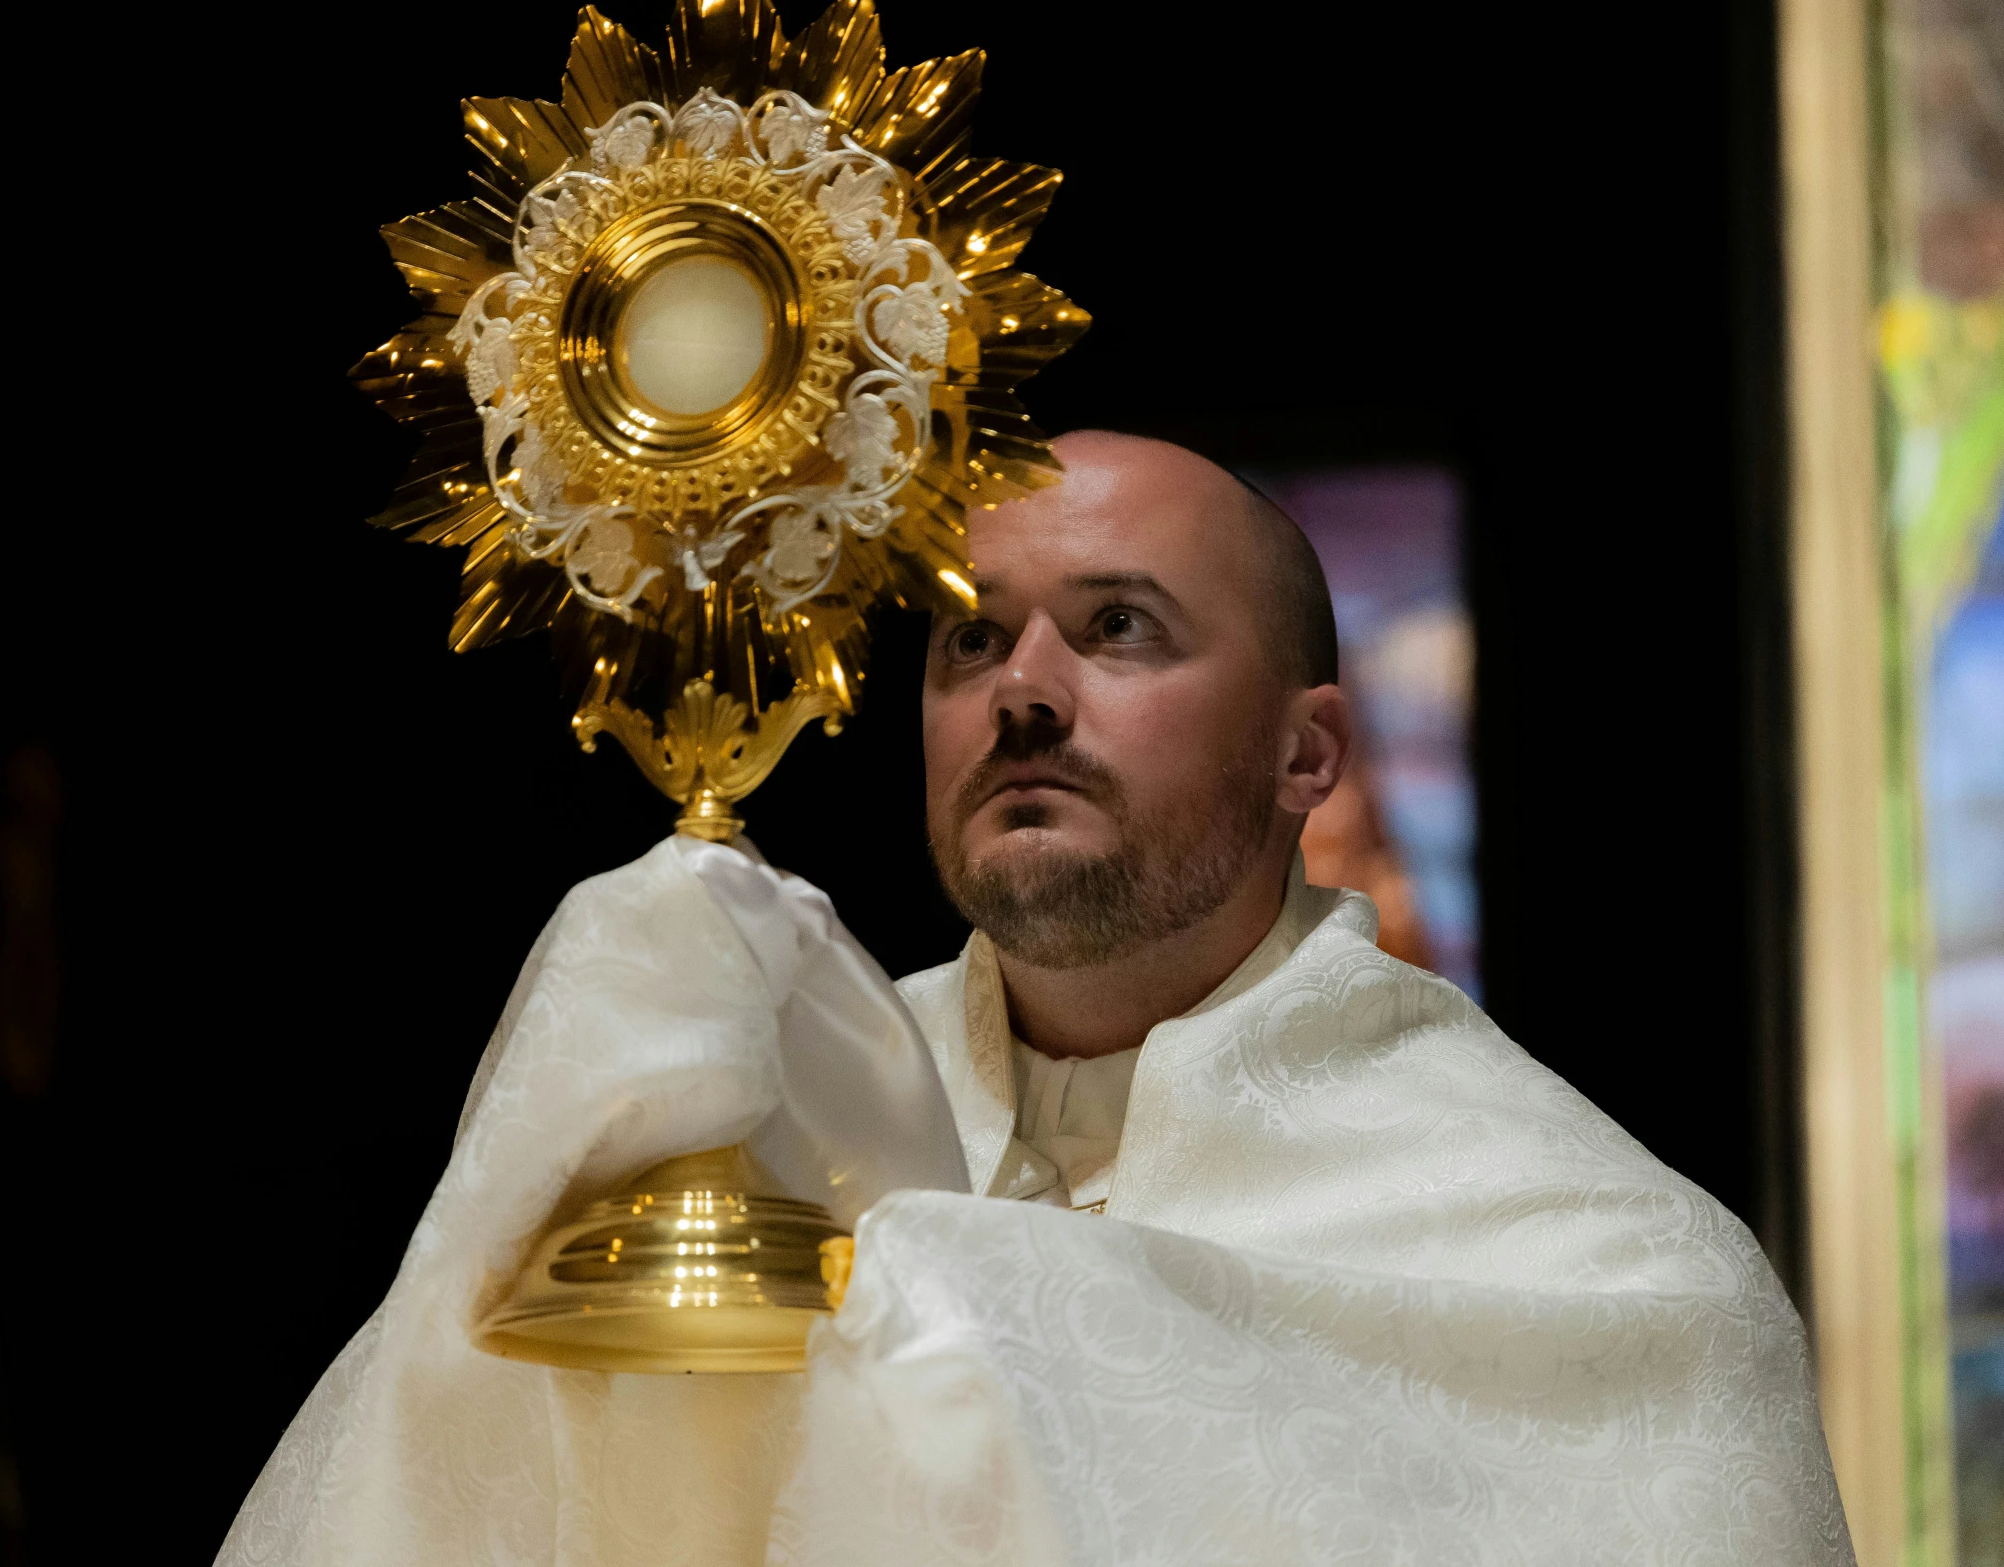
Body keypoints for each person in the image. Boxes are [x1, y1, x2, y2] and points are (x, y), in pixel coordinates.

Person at [222, 433, 1850, 1565]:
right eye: (968, 642)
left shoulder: (1596, 1273)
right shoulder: (751, 1135)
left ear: (1309, 755)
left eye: (1119, 630)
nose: (1021, 692)